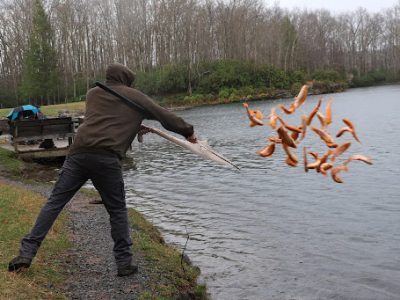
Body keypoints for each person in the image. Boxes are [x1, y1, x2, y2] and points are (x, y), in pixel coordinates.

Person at [8, 63, 197, 276]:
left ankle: (26, 253)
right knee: (117, 210)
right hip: (106, 158)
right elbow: (164, 116)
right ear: (127, 80)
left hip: (78, 154)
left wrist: (133, 124)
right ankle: (124, 263)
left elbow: (106, 119)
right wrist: (188, 132)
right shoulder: (136, 97)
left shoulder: (93, 94)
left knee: (54, 202)